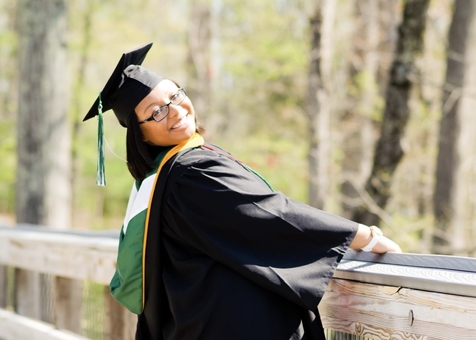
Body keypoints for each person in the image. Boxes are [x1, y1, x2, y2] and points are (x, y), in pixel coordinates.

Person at [83, 43, 401, 340]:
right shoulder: (189, 173)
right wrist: (361, 235)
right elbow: (269, 215)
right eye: (156, 112)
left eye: (175, 95)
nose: (176, 110)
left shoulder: (158, 180)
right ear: (142, 135)